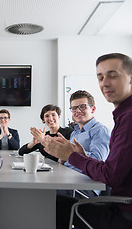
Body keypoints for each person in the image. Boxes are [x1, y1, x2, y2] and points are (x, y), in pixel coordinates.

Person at [44, 53, 132, 229]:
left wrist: (71, 156)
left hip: (123, 213)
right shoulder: (121, 118)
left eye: (113, 75)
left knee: (46, 203)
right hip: (117, 203)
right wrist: (74, 156)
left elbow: (110, 175)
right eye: (100, 77)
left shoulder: (126, 119)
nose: (105, 83)